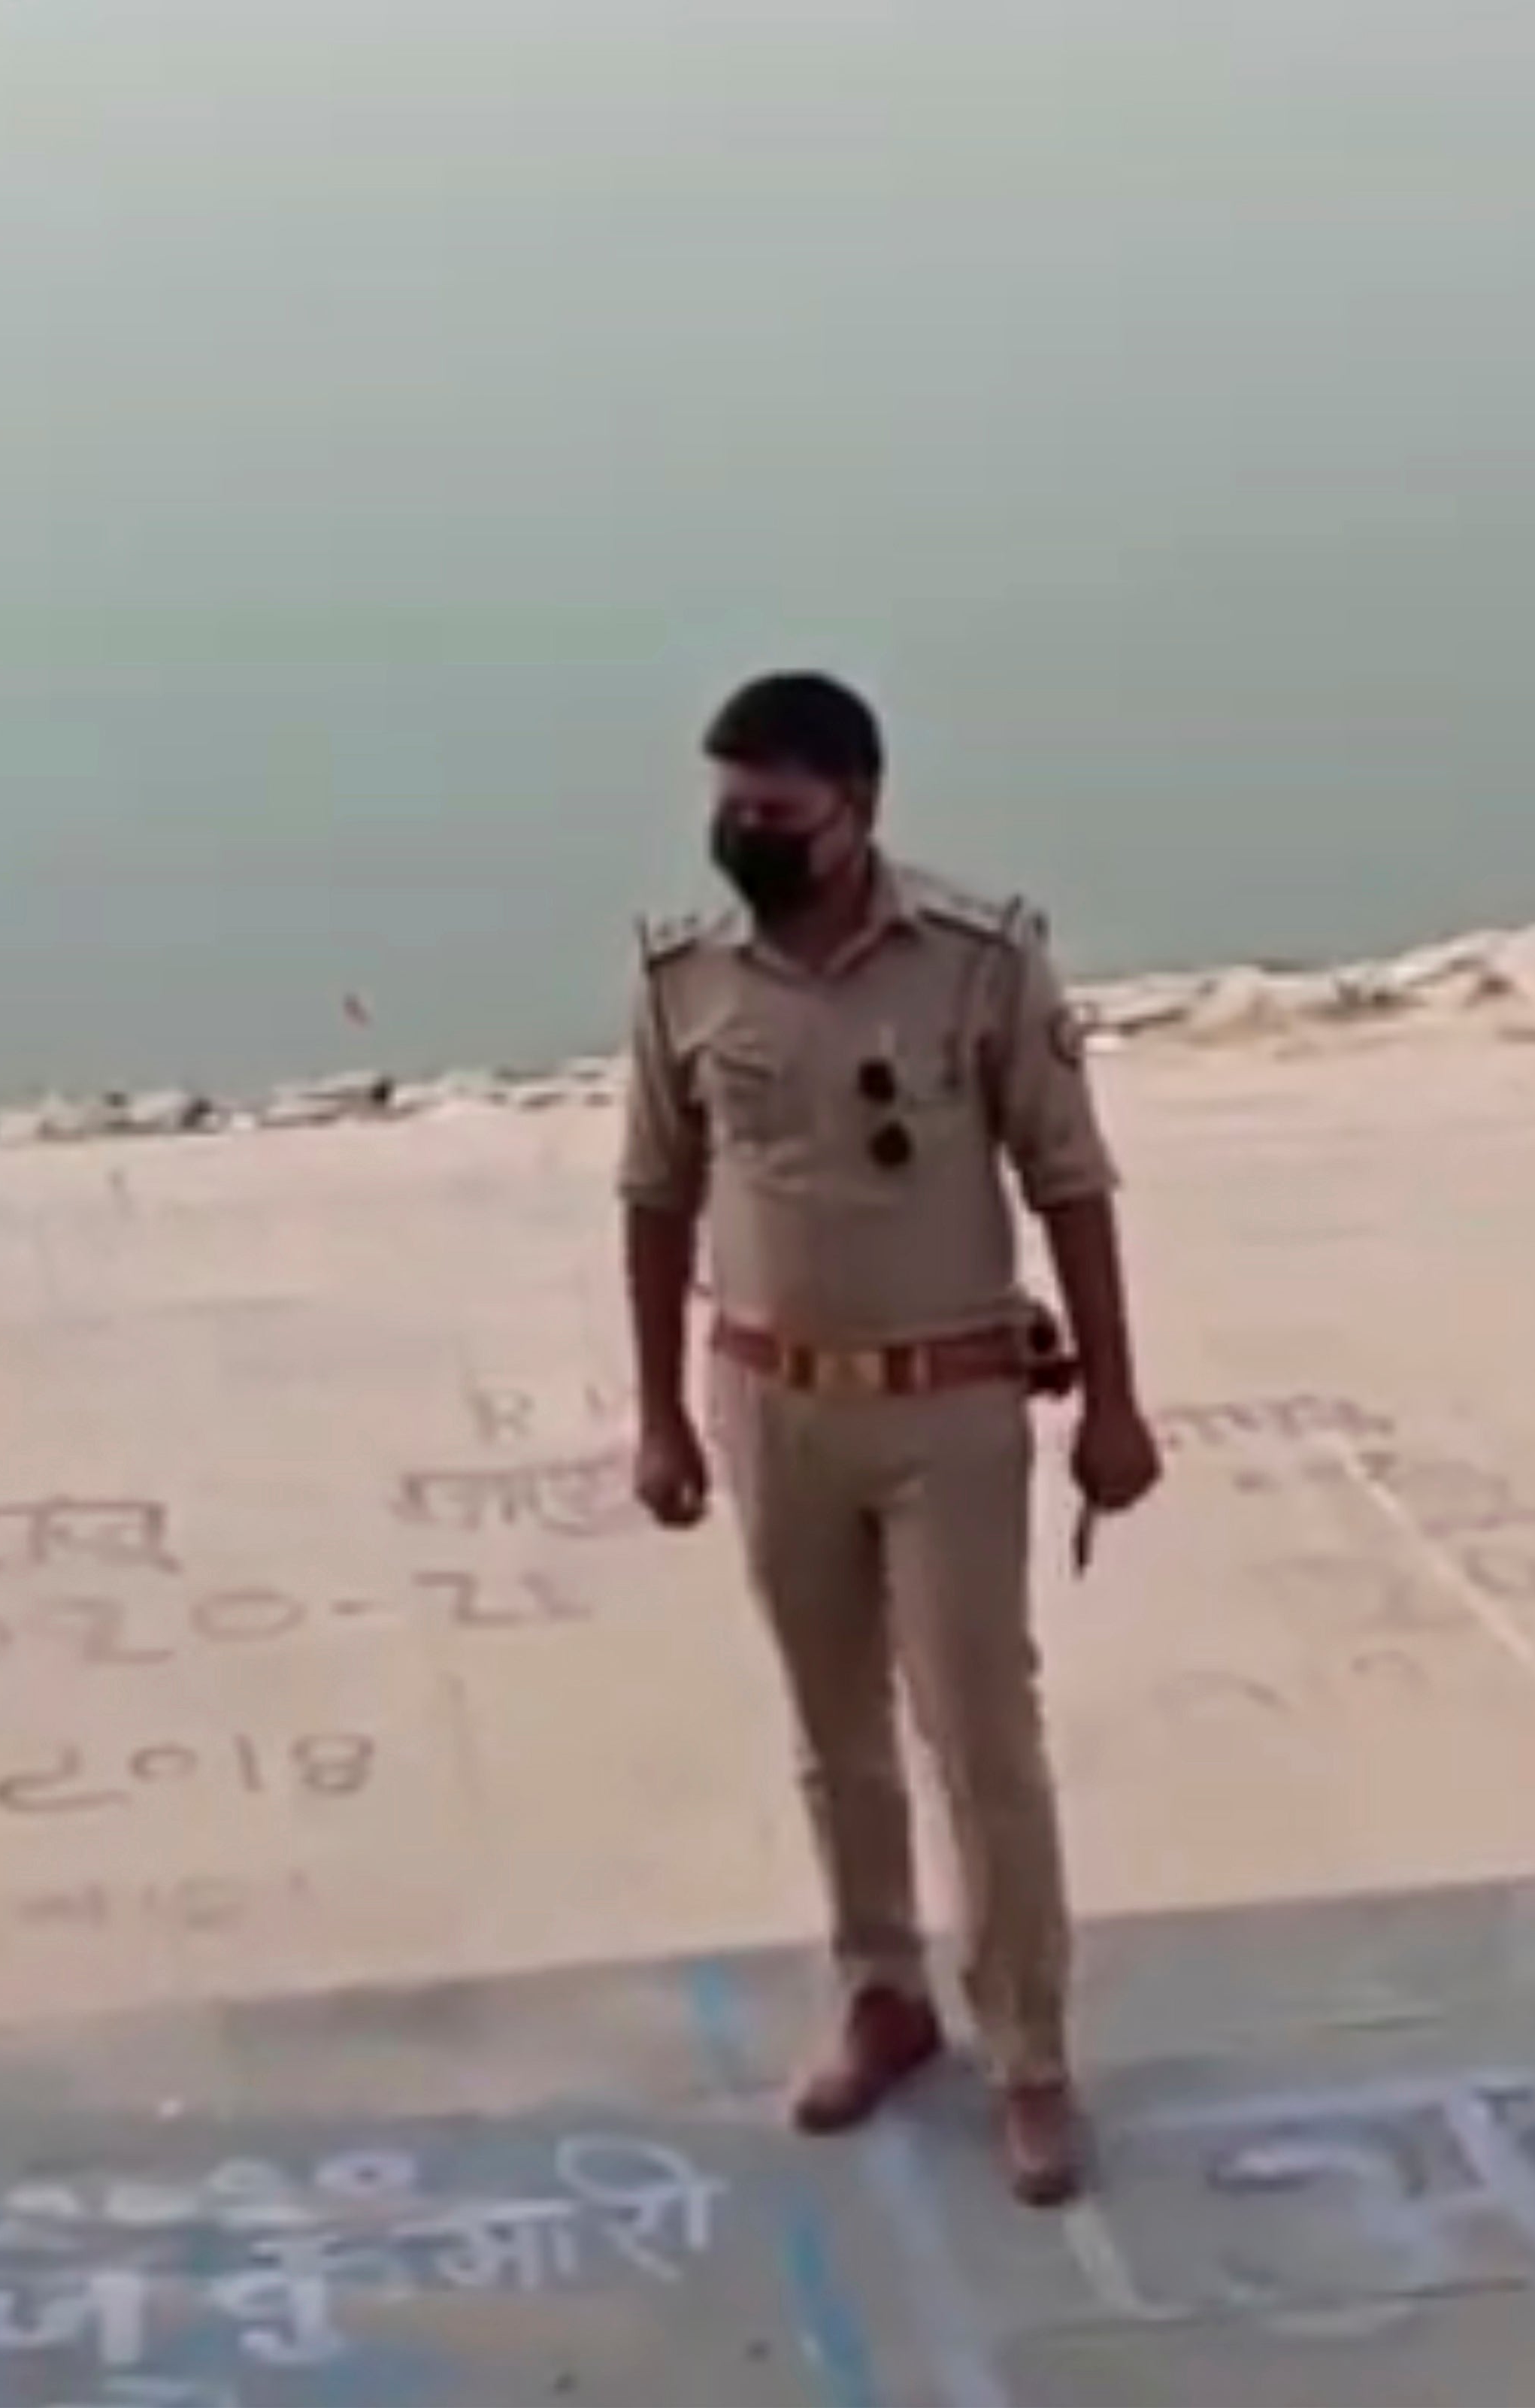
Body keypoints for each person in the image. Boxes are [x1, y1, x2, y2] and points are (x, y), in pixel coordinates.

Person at [614, 671, 1162, 2205]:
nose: (744, 838)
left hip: (951, 1403)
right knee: (831, 1731)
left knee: (981, 1737)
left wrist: (1115, 1400)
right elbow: (654, 1198)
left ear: (859, 811)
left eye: (776, 815)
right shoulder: (683, 980)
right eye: (727, 810)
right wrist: (658, 1415)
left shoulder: (981, 962)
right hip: (771, 1403)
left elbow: (1072, 1182)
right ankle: (880, 1994)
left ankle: (1030, 2054)